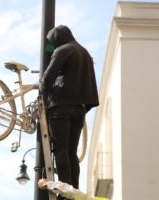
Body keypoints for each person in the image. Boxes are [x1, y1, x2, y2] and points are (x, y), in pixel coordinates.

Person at [41, 25, 99, 200]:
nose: (52, 45)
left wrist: (43, 97)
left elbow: (47, 78)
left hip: (60, 107)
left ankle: (66, 191)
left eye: (53, 41)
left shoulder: (62, 50)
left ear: (58, 37)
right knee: (72, 152)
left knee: (61, 148)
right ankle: (74, 191)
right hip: (79, 109)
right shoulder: (85, 52)